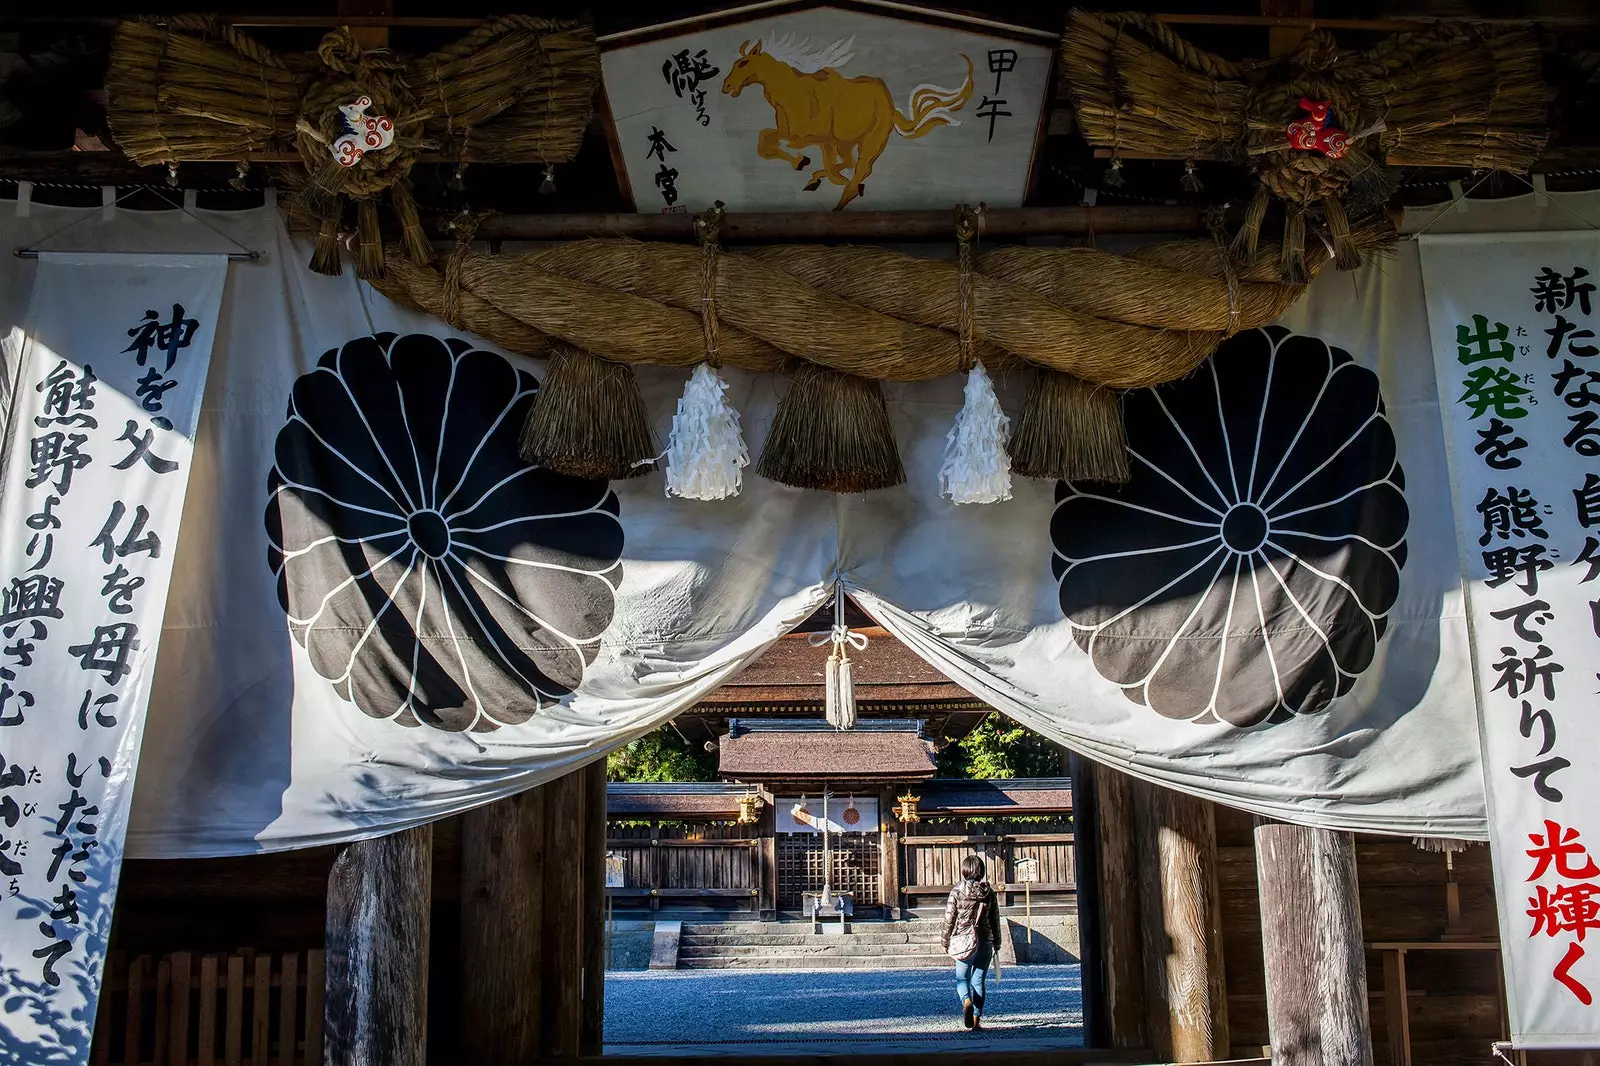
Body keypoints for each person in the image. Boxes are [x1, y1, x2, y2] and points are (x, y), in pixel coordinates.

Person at [941, 853, 1003, 1030]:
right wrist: (997, 941)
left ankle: (966, 1000)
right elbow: (995, 919)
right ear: (981, 872)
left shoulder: (957, 892)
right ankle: (976, 1019)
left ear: (964, 871)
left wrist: (945, 940)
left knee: (962, 979)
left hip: (964, 940)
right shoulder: (989, 892)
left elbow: (949, 919)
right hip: (984, 940)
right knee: (979, 981)